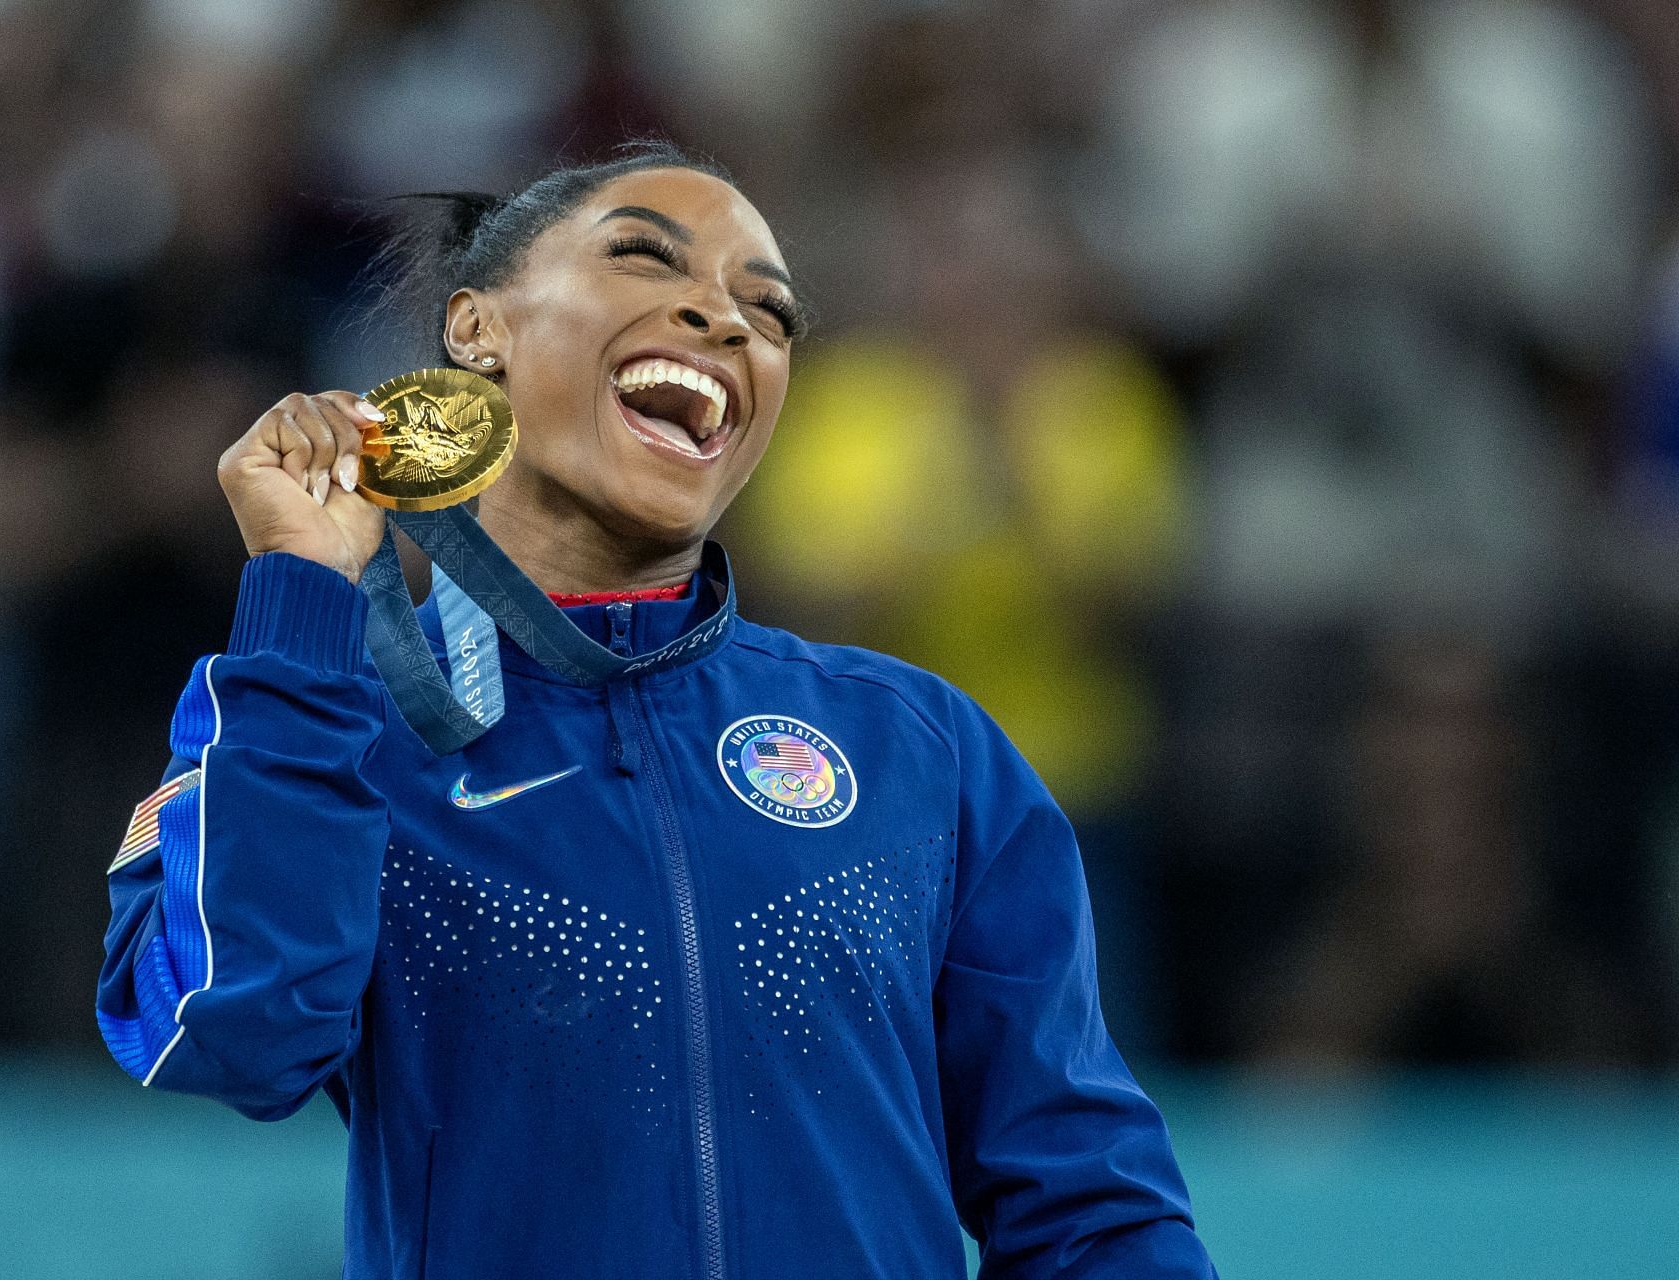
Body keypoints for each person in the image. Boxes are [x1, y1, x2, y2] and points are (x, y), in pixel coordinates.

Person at [95, 141, 1216, 1279]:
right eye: (645, 256)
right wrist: (305, 601)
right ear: (478, 327)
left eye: (768, 313)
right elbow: (234, 1031)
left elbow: (1091, 1206)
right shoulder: (335, 723)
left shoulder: (919, 749)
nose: (727, 322)